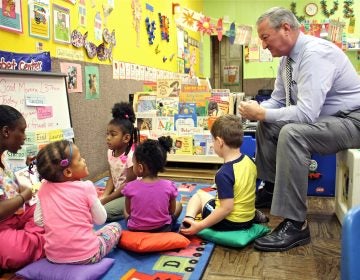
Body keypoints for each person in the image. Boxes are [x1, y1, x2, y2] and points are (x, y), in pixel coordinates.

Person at [239, 7, 360, 252]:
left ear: (285, 28)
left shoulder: (315, 54)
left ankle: (296, 224)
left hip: (352, 120)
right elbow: (278, 99)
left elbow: (306, 114)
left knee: (292, 134)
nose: (263, 45)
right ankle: (272, 190)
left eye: (265, 37)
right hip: (328, 120)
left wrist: (263, 112)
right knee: (268, 125)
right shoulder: (287, 60)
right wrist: (257, 109)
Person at [34, 140, 121, 264]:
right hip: (88, 256)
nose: (84, 160)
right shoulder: (86, 187)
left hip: (54, 257)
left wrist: (59, 224)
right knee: (115, 227)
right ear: (68, 172)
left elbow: (38, 220)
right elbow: (101, 219)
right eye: (80, 159)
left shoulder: (43, 188)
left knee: (93, 233)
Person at [181, 115, 267, 236]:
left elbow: (226, 209)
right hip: (247, 218)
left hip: (228, 222)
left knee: (198, 196)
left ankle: (189, 222)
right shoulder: (249, 161)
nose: (212, 144)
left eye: (212, 140)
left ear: (220, 142)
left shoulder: (224, 173)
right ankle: (253, 214)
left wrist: (200, 226)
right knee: (212, 196)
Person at [0, 105, 45, 270]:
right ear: (6, 132)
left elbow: (7, 187)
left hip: (17, 214)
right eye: (22, 131)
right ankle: (44, 240)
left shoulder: (3, 157)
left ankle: (33, 238)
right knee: (13, 252)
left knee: (50, 210)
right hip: (3, 223)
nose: (25, 137)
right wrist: (23, 197)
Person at [122, 136, 182, 232]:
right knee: (179, 205)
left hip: (136, 229)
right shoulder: (169, 186)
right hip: (163, 228)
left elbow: (129, 211)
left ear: (140, 167)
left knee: (124, 209)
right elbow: (171, 211)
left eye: (134, 163)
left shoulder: (130, 187)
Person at [100, 102, 139, 221]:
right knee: (94, 205)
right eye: (107, 134)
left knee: (104, 213)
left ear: (126, 138)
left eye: (113, 135)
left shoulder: (131, 155)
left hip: (132, 194)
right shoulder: (110, 152)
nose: (108, 138)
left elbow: (129, 185)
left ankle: (138, 208)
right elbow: (112, 177)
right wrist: (104, 196)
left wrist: (107, 199)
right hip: (118, 193)